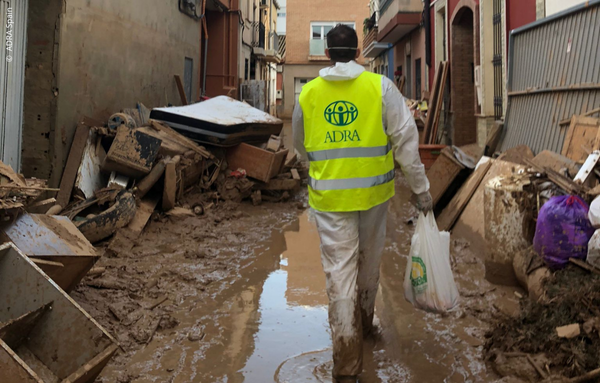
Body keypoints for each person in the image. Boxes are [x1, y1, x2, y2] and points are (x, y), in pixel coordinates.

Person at [292, 24, 432, 382]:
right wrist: (421, 189)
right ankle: (366, 326)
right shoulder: (380, 87)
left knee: (339, 274)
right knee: (369, 264)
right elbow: (406, 142)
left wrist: (325, 168)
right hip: (374, 197)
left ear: (326, 54)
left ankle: (347, 361)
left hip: (329, 200)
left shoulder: (308, 94)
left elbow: (300, 145)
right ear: (358, 52)